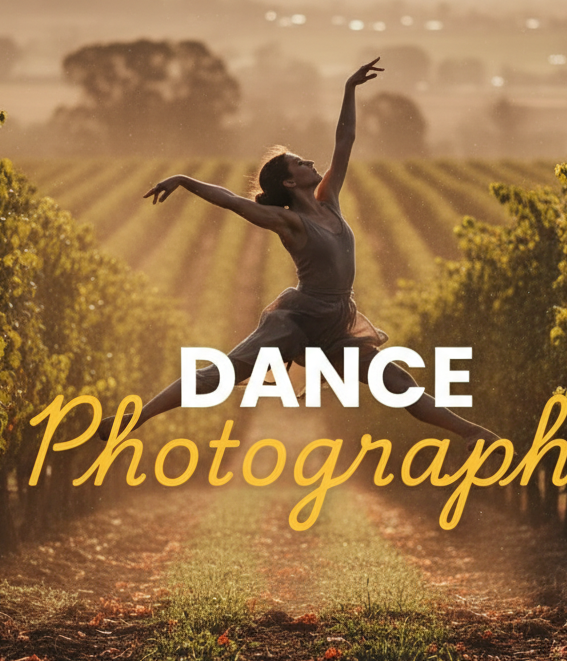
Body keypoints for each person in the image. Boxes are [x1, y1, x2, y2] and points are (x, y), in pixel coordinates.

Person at [99, 58, 497, 448]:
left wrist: (348, 89)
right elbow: (233, 201)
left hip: (338, 321)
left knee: (395, 381)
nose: (310, 162)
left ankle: (471, 432)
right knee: (220, 374)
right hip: (299, 320)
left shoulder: (330, 201)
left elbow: (345, 141)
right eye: (300, 162)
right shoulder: (289, 222)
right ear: (290, 181)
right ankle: (133, 419)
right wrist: (184, 180)